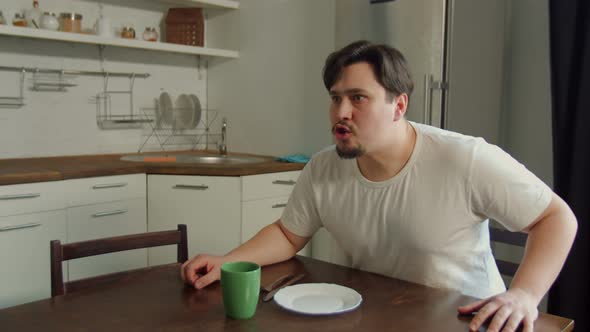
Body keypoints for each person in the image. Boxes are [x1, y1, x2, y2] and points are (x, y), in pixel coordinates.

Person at [181, 41, 577, 332]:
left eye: (358, 98)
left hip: (465, 321)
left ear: (399, 106)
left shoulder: (465, 158)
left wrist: (524, 294)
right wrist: (226, 260)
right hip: (374, 316)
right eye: (335, 98)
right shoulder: (323, 167)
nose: (341, 113)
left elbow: (555, 217)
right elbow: (288, 233)